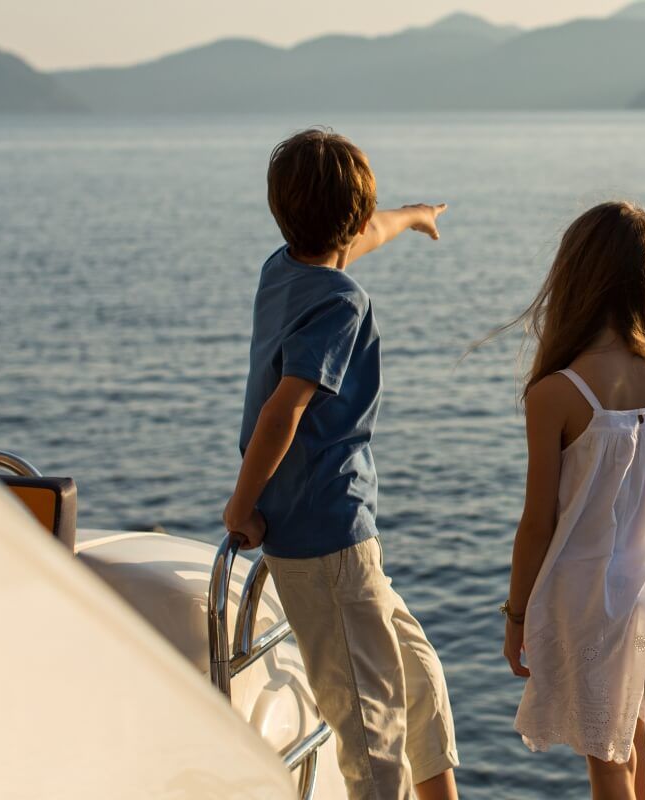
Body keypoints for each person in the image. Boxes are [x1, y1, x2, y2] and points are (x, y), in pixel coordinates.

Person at [223, 128, 458, 800]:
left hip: (346, 538)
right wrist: (242, 506)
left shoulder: (282, 271)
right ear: (352, 220)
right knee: (370, 733)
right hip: (326, 541)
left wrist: (414, 217)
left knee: (418, 678)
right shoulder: (340, 302)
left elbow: (365, 236)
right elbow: (282, 411)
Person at [498, 201, 645, 800]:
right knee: (644, 747)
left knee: (605, 762)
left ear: (575, 277)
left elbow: (537, 523)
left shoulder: (555, 393)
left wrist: (516, 615)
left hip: (582, 597)